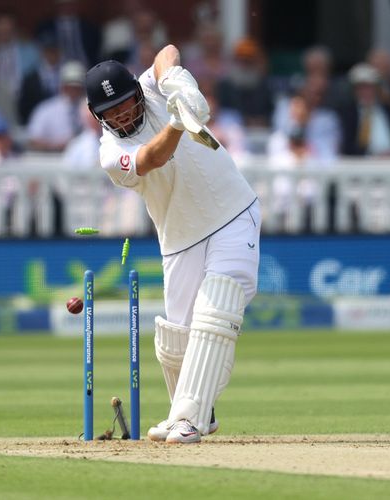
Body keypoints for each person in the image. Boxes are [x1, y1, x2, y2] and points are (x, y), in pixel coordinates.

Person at [85, 45, 261, 444]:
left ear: (137, 92)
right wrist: (179, 124)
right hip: (179, 238)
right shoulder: (110, 153)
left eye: (126, 103)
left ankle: (188, 420)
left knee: (217, 306)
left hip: (233, 211)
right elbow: (150, 157)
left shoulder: (153, 87)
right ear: (98, 116)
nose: (123, 115)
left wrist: (176, 82)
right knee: (174, 338)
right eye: (111, 111)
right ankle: (202, 411)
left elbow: (167, 52)